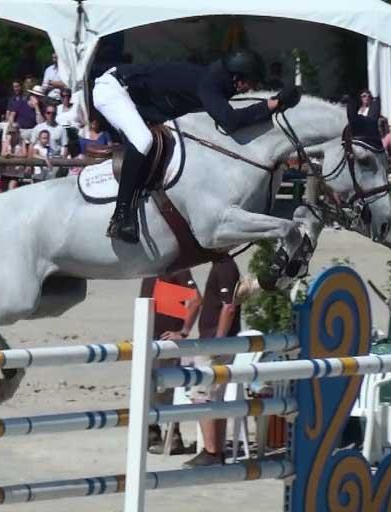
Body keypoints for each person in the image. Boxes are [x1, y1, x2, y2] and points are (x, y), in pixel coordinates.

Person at [92, 49, 295, 243]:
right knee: (143, 140)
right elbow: (230, 121)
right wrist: (272, 104)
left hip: (138, 100)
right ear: (237, 77)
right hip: (113, 89)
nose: (250, 89)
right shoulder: (208, 83)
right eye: (250, 83)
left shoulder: (214, 82)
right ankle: (120, 217)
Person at [183, 256, 242, 467]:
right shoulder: (223, 265)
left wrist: (218, 340)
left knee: (201, 395)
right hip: (218, 341)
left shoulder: (225, 267)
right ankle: (217, 451)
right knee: (215, 396)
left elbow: (229, 307)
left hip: (215, 343)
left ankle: (211, 451)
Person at [139, 270, 201, 455]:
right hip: (149, 336)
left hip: (166, 339)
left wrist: (183, 332)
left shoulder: (177, 267)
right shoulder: (151, 267)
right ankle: (152, 432)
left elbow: (196, 298)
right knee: (148, 388)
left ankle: (173, 436)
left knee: (165, 389)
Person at [2, 122, 28, 190]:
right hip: (6, 170)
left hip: (17, 171)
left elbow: (24, 154)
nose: (12, 134)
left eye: (14, 132)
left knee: (12, 188)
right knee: (4, 190)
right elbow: (3, 153)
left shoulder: (22, 141)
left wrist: (12, 155)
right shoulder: (6, 140)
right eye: (10, 132)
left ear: (18, 132)